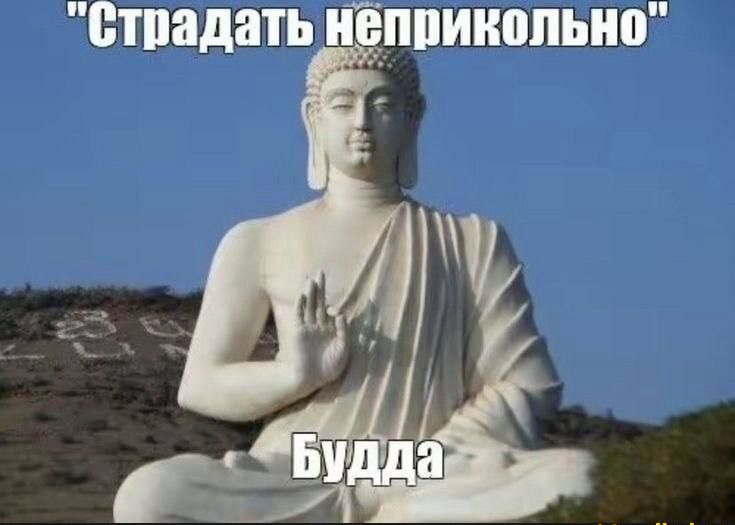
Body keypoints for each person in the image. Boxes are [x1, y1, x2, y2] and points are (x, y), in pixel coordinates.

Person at [113, 41, 595, 523]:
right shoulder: (257, 240)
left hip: (426, 472)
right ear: (313, 117)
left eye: (382, 105)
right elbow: (201, 385)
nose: (362, 122)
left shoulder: (472, 241)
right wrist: (295, 374)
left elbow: (525, 384)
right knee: (150, 495)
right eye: (343, 104)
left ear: (413, 117)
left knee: (577, 477)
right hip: (300, 472)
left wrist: (418, 463)